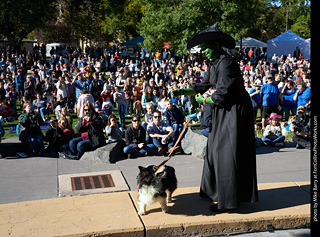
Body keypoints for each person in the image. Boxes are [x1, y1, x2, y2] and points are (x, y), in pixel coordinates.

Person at [172, 23, 258, 212]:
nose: (205, 53)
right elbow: (204, 85)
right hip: (223, 109)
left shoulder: (227, 63)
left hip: (234, 111)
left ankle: (228, 202)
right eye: (203, 50)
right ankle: (211, 192)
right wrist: (183, 91)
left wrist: (204, 99)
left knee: (226, 154)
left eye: (207, 49)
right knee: (213, 149)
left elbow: (221, 94)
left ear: (217, 45)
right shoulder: (214, 63)